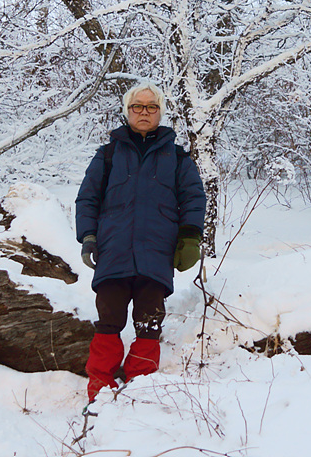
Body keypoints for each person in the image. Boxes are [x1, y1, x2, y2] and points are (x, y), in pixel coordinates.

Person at [75, 81, 206, 401]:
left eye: (151, 107)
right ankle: (100, 390)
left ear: (160, 112)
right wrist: (88, 236)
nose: (144, 112)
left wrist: (190, 237)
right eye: (137, 106)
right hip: (113, 251)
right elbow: (87, 198)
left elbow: (193, 198)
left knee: (149, 321)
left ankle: (140, 389)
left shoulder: (177, 158)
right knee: (109, 320)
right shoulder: (108, 155)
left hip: (156, 253)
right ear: (127, 111)